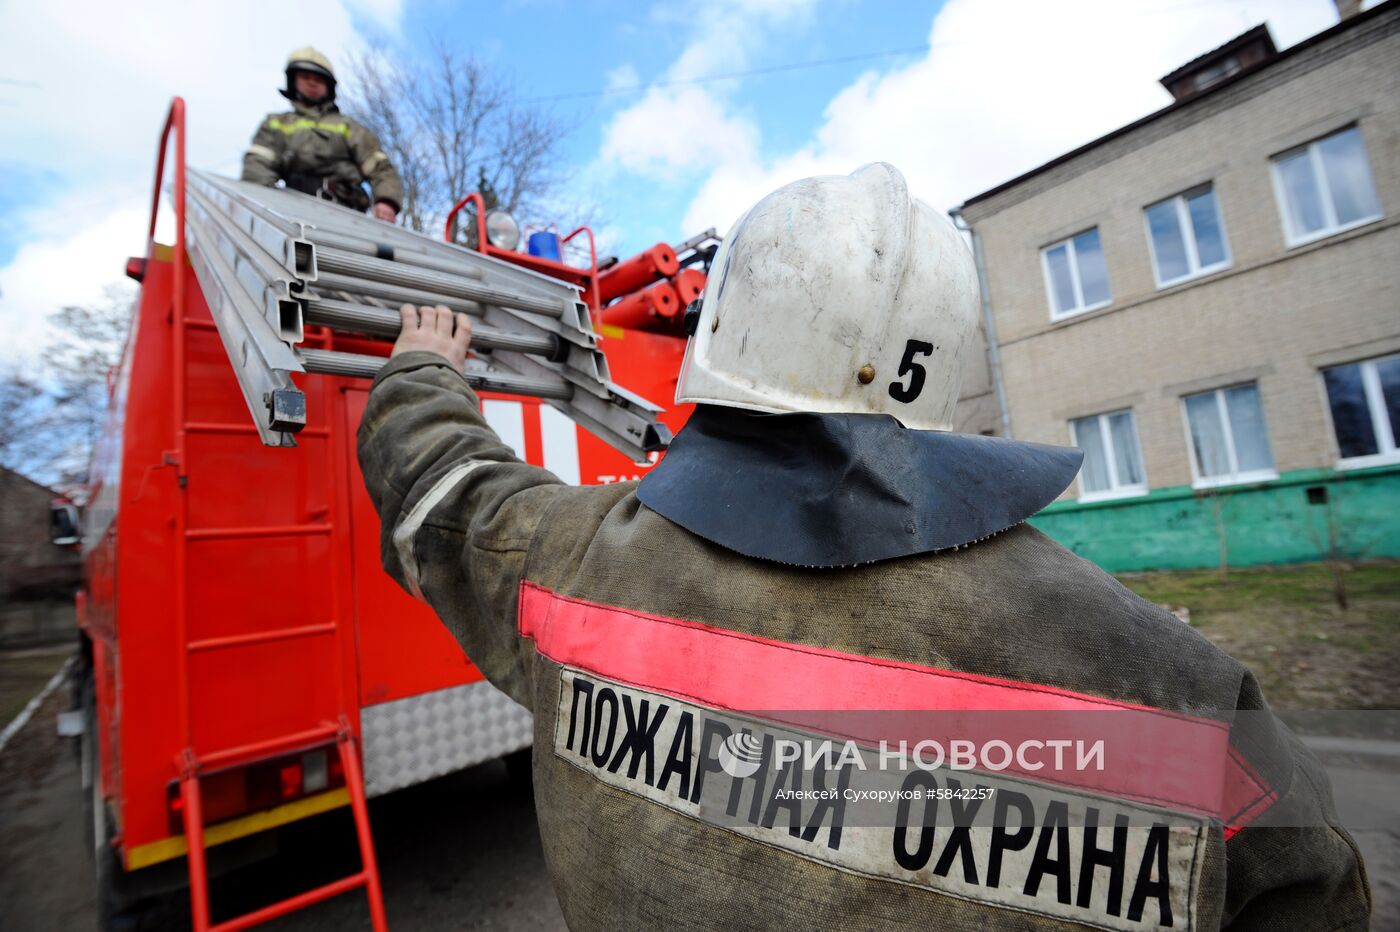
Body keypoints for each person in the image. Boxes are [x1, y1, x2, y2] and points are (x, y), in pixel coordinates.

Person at [357, 164, 1369, 929]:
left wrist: (420, 369)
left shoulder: (568, 569)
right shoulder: (1172, 688)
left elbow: (441, 489)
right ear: (944, 366)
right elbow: (1310, 895)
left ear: (726, 338)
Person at [241, 47, 403, 222]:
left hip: (346, 214)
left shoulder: (348, 126)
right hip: (290, 210)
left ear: (329, 86)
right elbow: (257, 167)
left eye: (318, 79)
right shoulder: (277, 123)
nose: (312, 83)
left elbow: (380, 167)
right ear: (292, 81)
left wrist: (386, 201)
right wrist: (260, 206)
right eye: (305, 77)